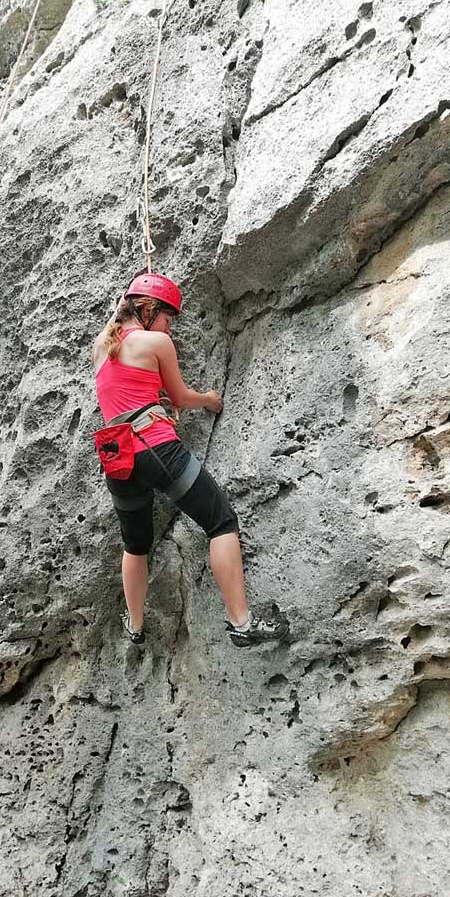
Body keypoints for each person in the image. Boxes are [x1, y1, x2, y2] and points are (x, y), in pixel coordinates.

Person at [92, 272, 289, 647]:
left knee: (135, 545)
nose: (170, 326)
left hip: (117, 459)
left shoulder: (101, 345)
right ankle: (242, 623)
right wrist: (209, 400)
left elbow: (125, 387)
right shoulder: (157, 341)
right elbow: (181, 398)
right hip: (156, 447)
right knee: (220, 521)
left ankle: (134, 626)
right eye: (168, 317)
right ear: (150, 310)